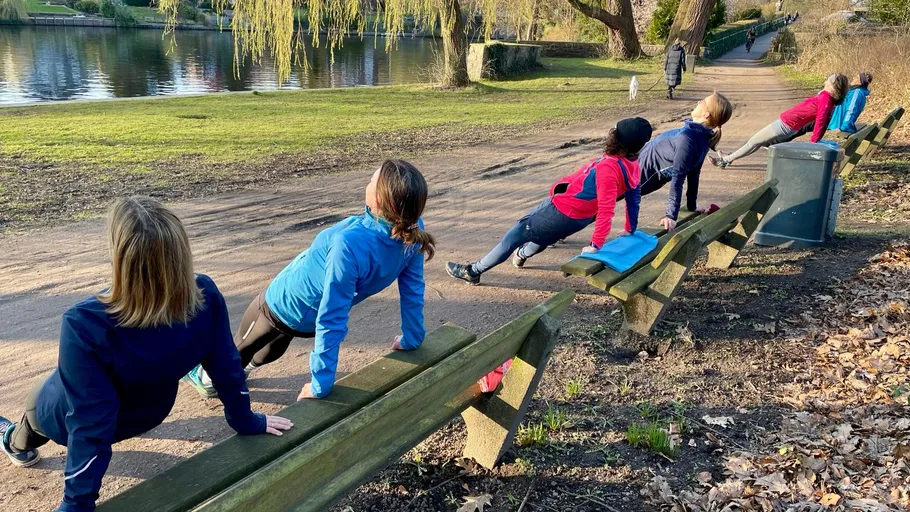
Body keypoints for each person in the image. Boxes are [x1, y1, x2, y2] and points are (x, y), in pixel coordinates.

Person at [0, 197, 292, 512]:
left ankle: (15, 442)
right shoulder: (204, 296)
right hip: (151, 412)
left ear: (120, 256)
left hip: (60, 418)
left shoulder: (84, 321)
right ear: (181, 252)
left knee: (37, 406)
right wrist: (245, 420)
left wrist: (76, 504)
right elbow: (227, 368)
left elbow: (90, 422)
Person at [183, 160, 436, 400]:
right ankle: (244, 370)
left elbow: (333, 317)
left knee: (240, 345)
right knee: (274, 343)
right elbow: (412, 291)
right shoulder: (412, 232)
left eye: (371, 181)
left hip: (281, 304)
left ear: (380, 200)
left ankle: (206, 380)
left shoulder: (349, 244)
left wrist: (321, 384)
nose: (367, 184)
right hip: (305, 320)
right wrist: (412, 337)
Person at [445, 117, 654, 286]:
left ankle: (473, 271)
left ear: (619, 140)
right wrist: (630, 227)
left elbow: (607, 209)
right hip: (569, 210)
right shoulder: (631, 163)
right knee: (540, 234)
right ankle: (523, 253)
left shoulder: (610, 167)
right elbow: (633, 197)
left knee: (515, 234)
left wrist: (595, 244)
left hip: (564, 212)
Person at [710, 74, 849, 168]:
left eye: (829, 80)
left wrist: (814, 141)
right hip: (788, 124)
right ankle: (729, 158)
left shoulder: (826, 100)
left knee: (753, 141)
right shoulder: (826, 97)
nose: (825, 80)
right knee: (757, 143)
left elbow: (821, 121)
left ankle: (725, 160)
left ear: (832, 86)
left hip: (786, 125)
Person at [639, 93, 734, 231]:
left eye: (703, 102)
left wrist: (671, 215)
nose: (699, 101)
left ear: (706, 115)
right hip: (636, 162)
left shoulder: (689, 138)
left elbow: (679, 177)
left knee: (599, 202)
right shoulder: (702, 136)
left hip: (635, 175)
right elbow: (694, 173)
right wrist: (692, 204)